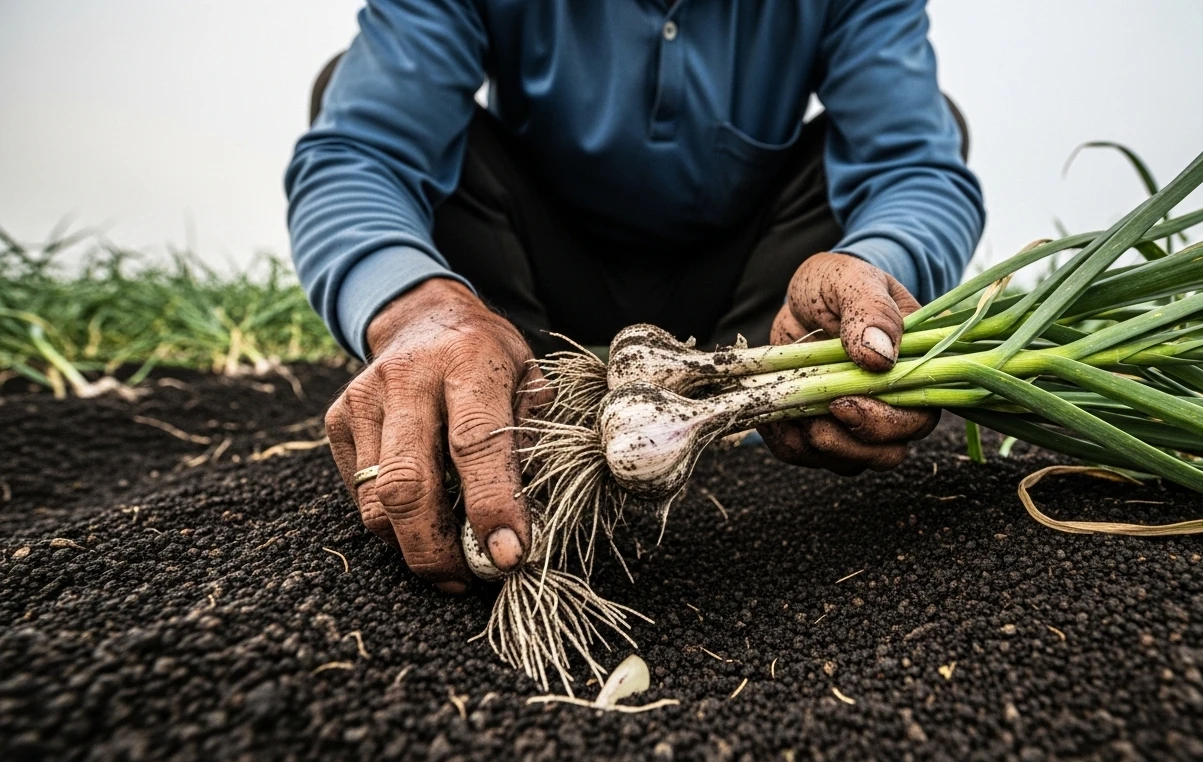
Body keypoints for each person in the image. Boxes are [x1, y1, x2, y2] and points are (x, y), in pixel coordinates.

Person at [287, 0, 985, 593]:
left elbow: (918, 168)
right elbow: (357, 155)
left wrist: (873, 273)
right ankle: (515, 400)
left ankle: (742, 403)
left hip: (749, 287)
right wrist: (418, 311)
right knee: (345, 91)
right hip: (535, 260)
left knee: (937, 126)